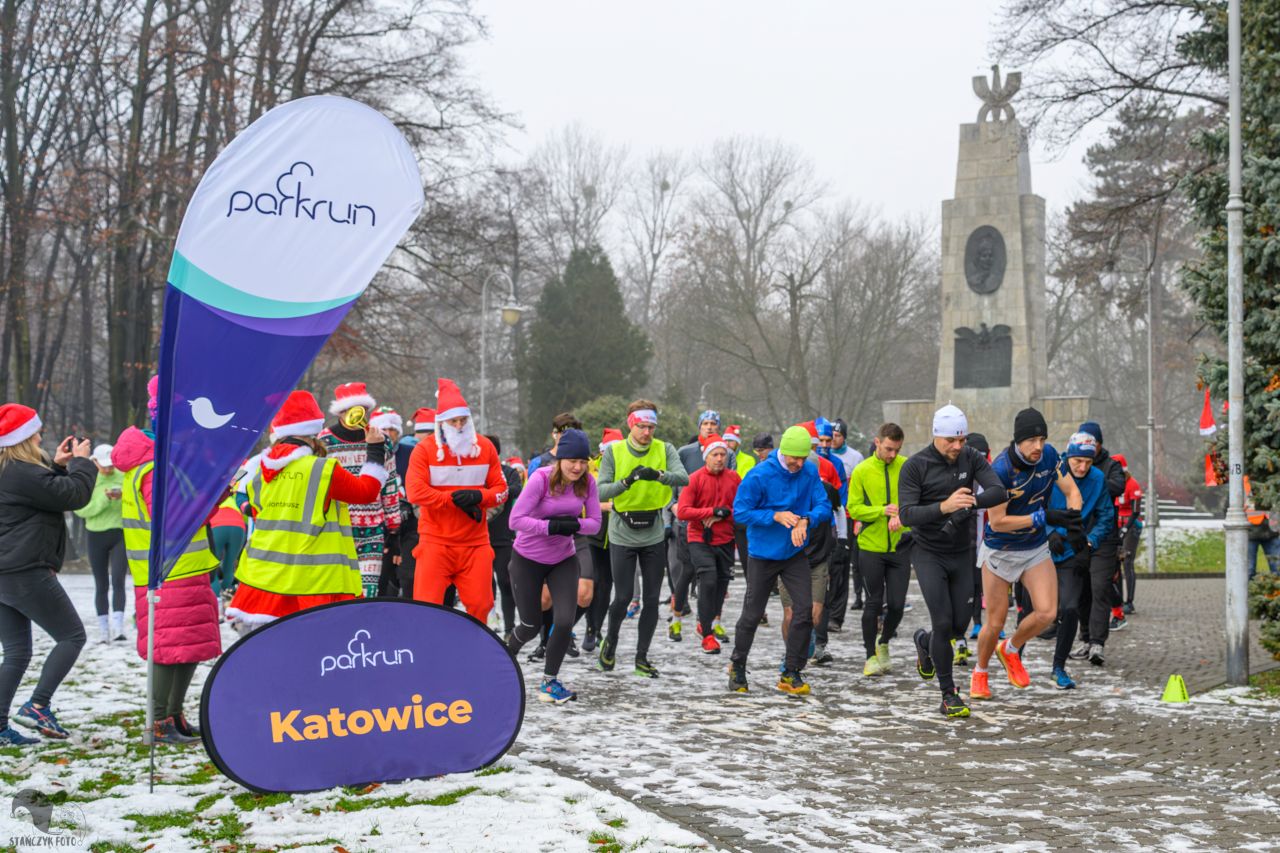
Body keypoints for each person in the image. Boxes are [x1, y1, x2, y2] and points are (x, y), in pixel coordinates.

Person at [226, 391, 380, 628]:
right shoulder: (323, 469)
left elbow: (252, 507)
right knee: (310, 644)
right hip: (313, 581)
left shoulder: (259, 469)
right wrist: (376, 450)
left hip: (263, 577)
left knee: (268, 642)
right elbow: (366, 493)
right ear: (313, 433)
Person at [897, 405, 1008, 719]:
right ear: (936, 435)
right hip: (927, 551)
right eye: (951, 440)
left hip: (961, 551)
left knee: (959, 626)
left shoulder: (971, 457)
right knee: (943, 622)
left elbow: (998, 491)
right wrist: (945, 507)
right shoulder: (915, 466)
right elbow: (907, 514)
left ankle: (924, 642)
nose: (957, 446)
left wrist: (970, 503)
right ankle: (948, 694)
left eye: (961, 439)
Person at [115, 421, 221, 745]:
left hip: (181, 569)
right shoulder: (154, 471)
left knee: (188, 645)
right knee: (168, 647)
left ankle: (173, 716)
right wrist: (212, 496)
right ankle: (159, 722)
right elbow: (174, 521)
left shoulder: (158, 468)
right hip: (170, 572)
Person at [971, 408, 1083, 702]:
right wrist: (1043, 518)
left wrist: (1073, 522)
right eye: (1032, 440)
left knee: (1047, 612)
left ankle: (1010, 648)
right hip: (1001, 551)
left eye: (1042, 439)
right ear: (1018, 440)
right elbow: (998, 522)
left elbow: (1072, 492)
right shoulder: (1000, 470)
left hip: (1033, 548)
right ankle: (980, 672)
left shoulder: (1050, 456)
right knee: (995, 623)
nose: (1038, 446)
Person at [0, 405, 93, 745]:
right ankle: (38, 705)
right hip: (24, 570)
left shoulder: (10, 471)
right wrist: (82, 463)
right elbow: (74, 496)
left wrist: (59, 466)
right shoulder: (21, 472)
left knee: (17, 651)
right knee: (72, 636)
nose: (41, 437)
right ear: (24, 438)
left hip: (5, 571)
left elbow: (46, 493)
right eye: (36, 432)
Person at [728, 425, 831, 695]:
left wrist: (806, 519)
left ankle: (791, 671)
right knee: (752, 614)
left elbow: (823, 505)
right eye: (795, 458)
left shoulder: (809, 471)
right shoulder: (759, 475)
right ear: (783, 452)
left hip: (794, 553)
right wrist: (774, 516)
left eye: (803, 457)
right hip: (762, 554)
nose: (799, 463)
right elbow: (740, 512)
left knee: (804, 611)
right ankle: (737, 665)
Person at [506, 428, 601, 704]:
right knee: (529, 625)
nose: (577, 467)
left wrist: (574, 525)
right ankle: (504, 659)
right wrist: (550, 527)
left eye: (582, 461)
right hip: (527, 559)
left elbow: (595, 523)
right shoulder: (541, 478)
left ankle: (549, 683)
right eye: (572, 461)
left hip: (563, 559)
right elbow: (515, 520)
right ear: (560, 459)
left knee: (563, 621)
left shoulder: (588, 482)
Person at [595, 400, 689, 678]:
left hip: (653, 530)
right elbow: (600, 492)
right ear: (630, 425)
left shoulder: (665, 449)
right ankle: (610, 642)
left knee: (651, 598)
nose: (647, 432)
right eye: (641, 426)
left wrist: (658, 475)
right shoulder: (615, 451)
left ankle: (642, 658)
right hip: (622, 530)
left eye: (651, 427)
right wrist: (626, 482)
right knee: (623, 596)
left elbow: (683, 478)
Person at [406, 378, 508, 621]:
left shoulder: (485, 447)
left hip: (475, 543)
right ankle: (429, 644)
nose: (460, 425)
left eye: (463, 420)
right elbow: (415, 492)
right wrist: (453, 499)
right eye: (453, 421)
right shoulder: (424, 450)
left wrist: (479, 496)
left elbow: (502, 490)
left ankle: (473, 645)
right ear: (441, 422)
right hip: (435, 541)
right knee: (426, 607)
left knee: (482, 605)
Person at [317, 382, 401, 599]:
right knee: (338, 591)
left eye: (361, 410)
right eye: (348, 410)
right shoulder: (324, 441)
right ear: (340, 412)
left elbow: (390, 483)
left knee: (368, 592)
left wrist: (394, 528)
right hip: (335, 528)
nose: (355, 416)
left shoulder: (381, 439)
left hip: (372, 528)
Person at [1045, 432, 1115, 689]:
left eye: (1088, 461)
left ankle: (1059, 667)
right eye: (1077, 461)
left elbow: (1106, 515)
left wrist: (1090, 540)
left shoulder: (1097, 478)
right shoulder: (1053, 472)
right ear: (1068, 457)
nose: (1083, 467)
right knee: (1036, 611)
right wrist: (1048, 532)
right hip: (1041, 548)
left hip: (1073, 549)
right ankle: (1013, 656)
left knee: (1071, 607)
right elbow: (1033, 505)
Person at [846, 423, 910, 678]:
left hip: (900, 546)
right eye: (888, 449)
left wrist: (902, 516)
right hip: (870, 546)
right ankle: (869, 656)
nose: (892, 454)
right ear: (877, 442)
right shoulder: (862, 470)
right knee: (873, 602)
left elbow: (916, 502)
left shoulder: (907, 466)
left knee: (897, 605)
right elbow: (854, 508)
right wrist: (881, 511)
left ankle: (883, 642)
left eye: (897, 450)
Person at [675, 433, 741, 654]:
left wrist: (724, 514)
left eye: (723, 454)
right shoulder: (694, 479)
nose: (720, 458)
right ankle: (707, 635)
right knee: (709, 580)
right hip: (699, 538)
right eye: (715, 454)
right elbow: (683, 511)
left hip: (726, 539)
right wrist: (711, 511)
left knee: (721, 586)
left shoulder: (734, 478)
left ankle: (706, 623)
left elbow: (743, 509)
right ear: (706, 456)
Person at [1071, 420, 1126, 658]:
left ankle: (1097, 642)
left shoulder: (1111, 466)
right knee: (1082, 590)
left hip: (1105, 538)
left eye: (1091, 442)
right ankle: (1084, 638)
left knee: (1099, 588)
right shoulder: (1071, 465)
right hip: (1080, 536)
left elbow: (1118, 486)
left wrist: (1092, 482)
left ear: (1099, 444)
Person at [668, 410, 722, 638]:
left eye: (713, 423)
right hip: (687, 522)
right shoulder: (685, 452)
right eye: (705, 423)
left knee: (714, 576)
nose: (709, 427)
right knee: (688, 571)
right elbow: (671, 485)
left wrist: (720, 514)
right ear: (699, 426)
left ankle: (709, 622)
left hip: (716, 524)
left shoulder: (725, 453)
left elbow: (728, 485)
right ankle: (676, 618)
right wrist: (673, 507)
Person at [75, 443, 129, 643]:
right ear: (95, 462)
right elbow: (82, 510)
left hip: (120, 533)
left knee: (118, 580)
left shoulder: (124, 476)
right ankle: (104, 630)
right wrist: (105, 500)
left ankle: (118, 628)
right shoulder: (89, 479)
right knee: (101, 583)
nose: (108, 469)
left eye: (111, 465)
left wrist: (123, 496)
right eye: (104, 465)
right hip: (95, 535)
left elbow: (135, 501)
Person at [826, 418, 863, 626]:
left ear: (844, 437)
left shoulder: (854, 457)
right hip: (824, 519)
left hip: (846, 517)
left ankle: (836, 616)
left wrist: (856, 519)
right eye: (830, 436)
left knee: (841, 565)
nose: (833, 440)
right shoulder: (817, 460)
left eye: (837, 436)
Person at [487, 435, 524, 640]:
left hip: (504, 536)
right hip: (480, 537)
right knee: (485, 584)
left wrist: (498, 492)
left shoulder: (507, 472)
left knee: (505, 581)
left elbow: (517, 489)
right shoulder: (476, 473)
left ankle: (510, 627)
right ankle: (490, 621)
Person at [1112, 454, 1143, 613]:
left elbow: (1136, 511)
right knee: (1115, 563)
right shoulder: (1112, 484)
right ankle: (1117, 602)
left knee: (1127, 562)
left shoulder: (1132, 484)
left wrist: (1125, 529)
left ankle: (1129, 602)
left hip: (1131, 525)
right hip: (1116, 524)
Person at [527, 412, 583, 477]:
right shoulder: (537, 462)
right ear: (554, 434)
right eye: (564, 433)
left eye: (573, 434)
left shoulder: (582, 463)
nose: (568, 437)